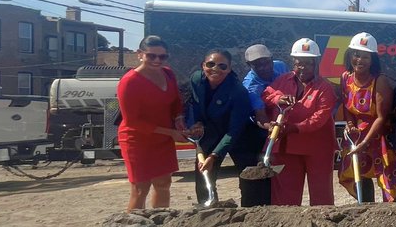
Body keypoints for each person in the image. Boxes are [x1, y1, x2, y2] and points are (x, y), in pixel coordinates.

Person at [338, 32, 396, 203]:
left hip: (379, 138)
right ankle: (367, 215)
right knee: (360, 177)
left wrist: (365, 142)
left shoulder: (380, 81)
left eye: (365, 56)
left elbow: (381, 117)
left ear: (373, 60)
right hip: (357, 137)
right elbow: (347, 105)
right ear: (350, 55)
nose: (359, 60)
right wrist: (350, 124)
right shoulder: (345, 78)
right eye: (356, 55)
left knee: (389, 187)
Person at [263, 38, 337, 206]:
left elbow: (319, 118)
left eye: (308, 63)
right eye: (298, 63)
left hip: (317, 149)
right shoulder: (283, 80)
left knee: (321, 196)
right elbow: (266, 94)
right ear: (293, 62)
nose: (303, 68)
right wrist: (278, 98)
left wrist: (294, 128)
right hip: (286, 148)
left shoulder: (325, 88)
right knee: (285, 196)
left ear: (316, 63)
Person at [117, 35, 187, 211]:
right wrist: (171, 133)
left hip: (162, 139)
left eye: (162, 57)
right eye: (151, 56)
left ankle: (159, 225)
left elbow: (176, 100)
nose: (157, 60)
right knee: (141, 188)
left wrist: (178, 118)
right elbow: (133, 121)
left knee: (163, 184)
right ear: (140, 54)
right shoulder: (129, 82)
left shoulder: (168, 73)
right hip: (137, 139)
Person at [185, 49, 254, 205]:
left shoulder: (238, 91)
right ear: (203, 65)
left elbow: (234, 129)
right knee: (204, 175)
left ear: (229, 69)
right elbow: (196, 105)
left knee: (247, 174)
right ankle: (208, 208)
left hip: (238, 133)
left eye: (222, 66)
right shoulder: (196, 79)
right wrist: (197, 123)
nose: (215, 69)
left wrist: (215, 155)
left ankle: (251, 212)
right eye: (210, 64)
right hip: (211, 130)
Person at [237, 44, 288, 206]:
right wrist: (270, 126)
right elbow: (260, 115)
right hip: (257, 130)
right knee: (258, 174)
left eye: (266, 62)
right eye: (257, 64)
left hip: (283, 120)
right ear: (249, 66)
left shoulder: (281, 66)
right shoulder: (250, 86)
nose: (263, 67)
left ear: (272, 60)